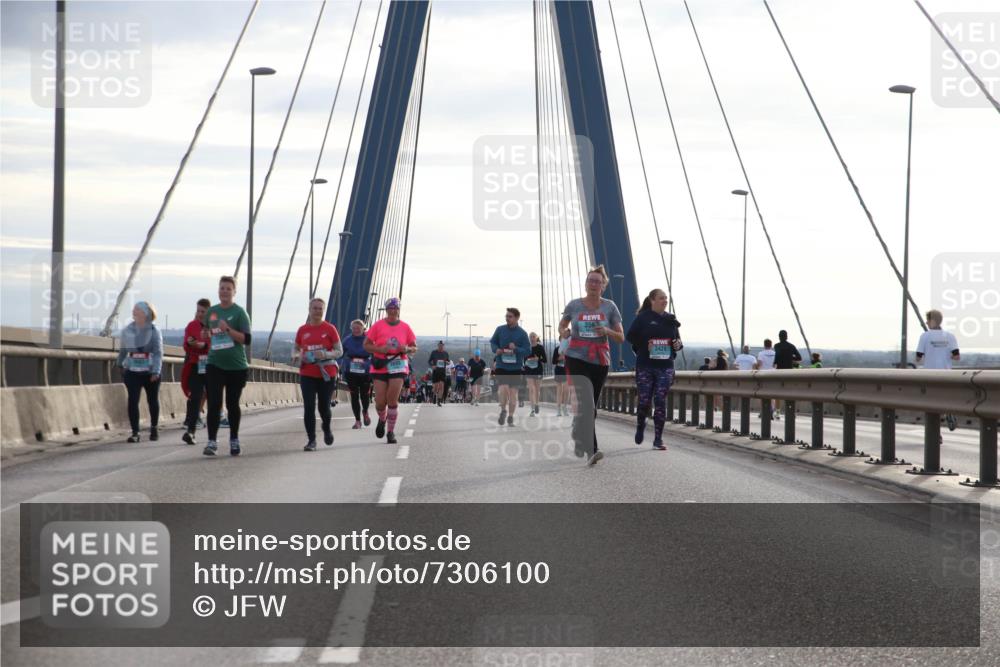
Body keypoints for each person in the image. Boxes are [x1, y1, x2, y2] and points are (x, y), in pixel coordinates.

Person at [559, 265, 625, 466]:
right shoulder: (574, 305)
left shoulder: (610, 307)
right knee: (587, 404)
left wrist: (607, 331)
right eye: (590, 280)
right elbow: (562, 325)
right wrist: (564, 332)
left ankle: (578, 432)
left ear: (603, 285)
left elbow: (621, 337)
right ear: (586, 283)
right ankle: (592, 449)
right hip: (576, 358)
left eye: (598, 281)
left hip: (600, 360)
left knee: (591, 407)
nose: (593, 284)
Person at [625, 288, 682, 450]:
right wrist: (645, 344)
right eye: (661, 298)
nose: (665, 301)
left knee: (660, 400)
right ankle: (640, 423)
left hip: (665, 367)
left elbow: (677, 341)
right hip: (645, 366)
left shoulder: (671, 319)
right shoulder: (643, 318)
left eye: (666, 298)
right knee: (644, 401)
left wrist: (677, 345)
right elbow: (630, 337)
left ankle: (658, 439)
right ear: (652, 300)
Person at [202, 275, 252, 457]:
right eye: (222, 288)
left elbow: (247, 339)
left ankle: (234, 439)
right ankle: (212, 441)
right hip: (215, 363)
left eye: (228, 289)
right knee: (214, 403)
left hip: (236, 367)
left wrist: (228, 330)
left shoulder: (239, 313)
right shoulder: (211, 312)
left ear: (234, 292)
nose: (224, 291)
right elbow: (206, 331)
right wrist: (206, 334)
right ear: (218, 290)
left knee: (232, 404)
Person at [364, 298, 417, 444]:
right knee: (380, 402)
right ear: (386, 310)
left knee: (392, 400)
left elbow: (414, 347)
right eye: (390, 308)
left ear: (399, 310)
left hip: (399, 363)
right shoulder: (378, 325)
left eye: (396, 308)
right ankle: (382, 418)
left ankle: (390, 432)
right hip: (380, 364)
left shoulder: (405, 327)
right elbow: (366, 345)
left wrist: (407, 349)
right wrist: (379, 349)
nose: (393, 311)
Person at [294, 298, 342, 451]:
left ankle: (326, 429)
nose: (317, 311)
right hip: (307, 372)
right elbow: (295, 349)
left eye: (320, 308)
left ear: (323, 310)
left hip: (326, 374)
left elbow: (339, 351)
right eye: (314, 308)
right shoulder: (302, 330)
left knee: (324, 408)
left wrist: (325, 354)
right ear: (309, 309)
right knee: (308, 407)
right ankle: (311, 440)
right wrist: (297, 356)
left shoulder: (330, 329)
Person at [116, 301, 163, 443]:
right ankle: (135, 432)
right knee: (132, 400)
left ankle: (154, 427)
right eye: (134, 309)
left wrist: (156, 371)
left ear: (145, 313)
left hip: (150, 372)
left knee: (152, 400)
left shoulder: (154, 331)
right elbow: (123, 350)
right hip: (133, 371)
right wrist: (120, 364)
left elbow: (158, 352)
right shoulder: (127, 331)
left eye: (137, 309)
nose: (134, 311)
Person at [916, 309, 961, 431]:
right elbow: (957, 357)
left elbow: (918, 358)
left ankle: (936, 433)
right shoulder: (950, 336)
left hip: (929, 376)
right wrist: (944, 354)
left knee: (931, 406)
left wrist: (931, 352)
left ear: (933, 321)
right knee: (944, 399)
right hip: (946, 375)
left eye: (928, 320)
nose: (926, 323)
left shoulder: (924, 336)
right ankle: (949, 412)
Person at [490, 307, 531, 427]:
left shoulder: (522, 334)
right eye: (506, 316)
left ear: (517, 318)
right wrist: (496, 349)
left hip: (516, 368)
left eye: (510, 316)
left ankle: (511, 416)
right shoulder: (500, 329)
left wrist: (516, 349)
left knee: (513, 394)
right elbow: (493, 342)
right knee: (503, 390)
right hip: (502, 365)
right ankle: (503, 410)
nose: (507, 318)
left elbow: (527, 351)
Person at [181, 298, 211, 445]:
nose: (200, 314)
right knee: (196, 398)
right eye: (198, 311)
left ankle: (213, 435)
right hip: (196, 365)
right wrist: (190, 343)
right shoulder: (191, 326)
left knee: (214, 398)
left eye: (203, 312)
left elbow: (216, 344)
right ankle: (190, 431)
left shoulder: (214, 326)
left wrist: (203, 346)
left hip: (212, 366)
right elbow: (186, 344)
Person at [341, 319, 373, 429]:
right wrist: (338, 366)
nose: (356, 330)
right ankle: (358, 421)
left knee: (365, 396)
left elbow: (376, 352)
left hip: (365, 371)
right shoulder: (347, 340)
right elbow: (340, 353)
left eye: (358, 328)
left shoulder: (369, 339)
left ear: (363, 328)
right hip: (351, 371)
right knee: (354, 396)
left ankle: (365, 411)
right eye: (354, 328)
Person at [523, 332, 547, 416]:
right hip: (529, 370)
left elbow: (545, 360)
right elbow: (524, 359)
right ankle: (532, 409)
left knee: (537, 390)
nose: (532, 338)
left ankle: (537, 404)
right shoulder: (526, 348)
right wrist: (525, 363)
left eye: (533, 337)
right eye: (530, 337)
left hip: (538, 370)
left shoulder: (540, 347)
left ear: (536, 338)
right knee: (531, 389)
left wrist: (538, 359)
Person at [551, 336, 571, 416]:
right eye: (562, 339)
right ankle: (558, 409)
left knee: (566, 390)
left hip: (567, 370)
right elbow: (553, 361)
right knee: (559, 390)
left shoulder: (570, 349)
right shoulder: (557, 349)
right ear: (559, 340)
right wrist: (559, 358)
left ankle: (565, 407)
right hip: (559, 370)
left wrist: (566, 358)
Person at [428, 341, 450, 406]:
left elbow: (448, 361)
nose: (441, 346)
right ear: (438, 345)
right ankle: (434, 395)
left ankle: (439, 401)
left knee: (442, 386)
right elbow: (429, 361)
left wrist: (447, 363)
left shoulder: (446, 353)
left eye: (442, 345)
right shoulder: (434, 352)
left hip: (443, 372)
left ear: (443, 346)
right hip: (436, 371)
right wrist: (432, 366)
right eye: (440, 345)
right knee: (435, 387)